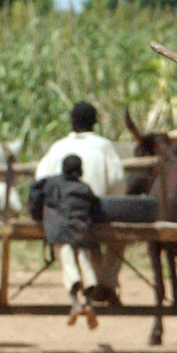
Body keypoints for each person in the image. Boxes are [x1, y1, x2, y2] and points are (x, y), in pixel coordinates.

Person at [34, 101, 125, 303]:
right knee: (119, 240)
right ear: (95, 123)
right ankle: (107, 283)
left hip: (60, 218)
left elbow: (41, 179)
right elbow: (118, 183)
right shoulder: (104, 146)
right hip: (93, 215)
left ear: (72, 121)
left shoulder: (58, 147)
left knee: (65, 244)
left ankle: (80, 283)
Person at [27, 154, 105, 329]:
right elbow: (98, 211)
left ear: (63, 169)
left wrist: (37, 216)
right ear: (81, 171)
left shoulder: (50, 183)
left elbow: (35, 199)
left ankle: (75, 302)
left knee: (68, 262)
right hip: (82, 233)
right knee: (85, 263)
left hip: (59, 232)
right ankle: (89, 303)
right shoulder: (85, 188)